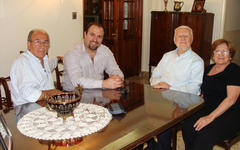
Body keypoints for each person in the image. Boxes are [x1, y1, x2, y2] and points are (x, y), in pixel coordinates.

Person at [148, 25, 204, 150]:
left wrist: (169, 87)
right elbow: (154, 76)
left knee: (163, 124)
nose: (183, 39)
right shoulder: (167, 56)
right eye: (180, 36)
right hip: (162, 99)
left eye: (186, 36)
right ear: (174, 39)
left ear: (192, 39)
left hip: (184, 103)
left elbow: (193, 89)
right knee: (144, 119)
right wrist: (158, 84)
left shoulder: (197, 61)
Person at [182, 39, 240, 150]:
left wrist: (209, 118)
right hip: (209, 108)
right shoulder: (208, 69)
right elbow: (205, 92)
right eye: (217, 51)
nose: (221, 55)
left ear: (230, 55)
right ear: (213, 54)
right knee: (188, 126)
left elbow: (231, 99)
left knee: (205, 133)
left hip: (230, 113)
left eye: (225, 51)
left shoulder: (235, 70)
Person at [62, 22, 124, 91]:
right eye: (92, 35)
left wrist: (117, 78)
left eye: (99, 36)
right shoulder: (72, 54)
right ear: (85, 35)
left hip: (98, 93)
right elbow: (77, 81)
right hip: (74, 95)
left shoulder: (105, 51)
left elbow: (116, 71)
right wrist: (103, 83)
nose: (95, 39)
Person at [10, 29, 62, 106]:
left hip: (48, 105)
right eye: (37, 42)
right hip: (27, 109)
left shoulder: (45, 60)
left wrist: (59, 59)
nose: (42, 45)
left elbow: (52, 62)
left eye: (46, 42)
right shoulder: (22, 62)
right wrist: (53, 92)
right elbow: (28, 93)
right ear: (28, 44)